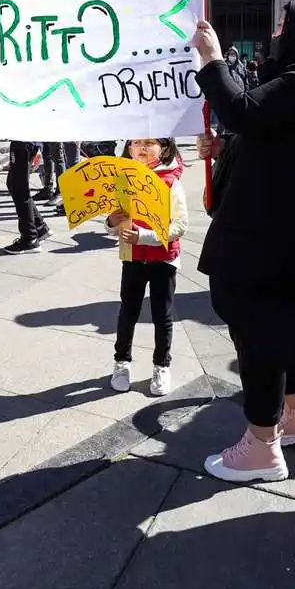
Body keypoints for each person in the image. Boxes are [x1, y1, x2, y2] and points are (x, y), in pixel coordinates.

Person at [193, 0, 295, 483]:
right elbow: (268, 135)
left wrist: (213, 59)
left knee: (256, 332)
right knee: (276, 325)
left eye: (286, 24)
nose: (278, 32)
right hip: (287, 231)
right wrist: (226, 148)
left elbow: (241, 110)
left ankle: (262, 444)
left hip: (270, 235)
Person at [107, 138, 190, 398]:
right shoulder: (123, 179)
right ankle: (121, 363)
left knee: (161, 316)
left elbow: (180, 226)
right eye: (136, 142)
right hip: (132, 258)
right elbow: (111, 223)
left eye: (150, 142)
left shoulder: (170, 180)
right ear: (129, 147)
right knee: (127, 312)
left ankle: (161, 365)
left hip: (163, 259)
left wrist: (144, 235)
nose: (142, 147)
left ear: (164, 147)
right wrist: (111, 221)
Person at [3, 138, 50, 254]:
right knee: (15, 185)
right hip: (26, 142)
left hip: (23, 143)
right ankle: (39, 226)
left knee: (19, 188)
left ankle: (30, 237)